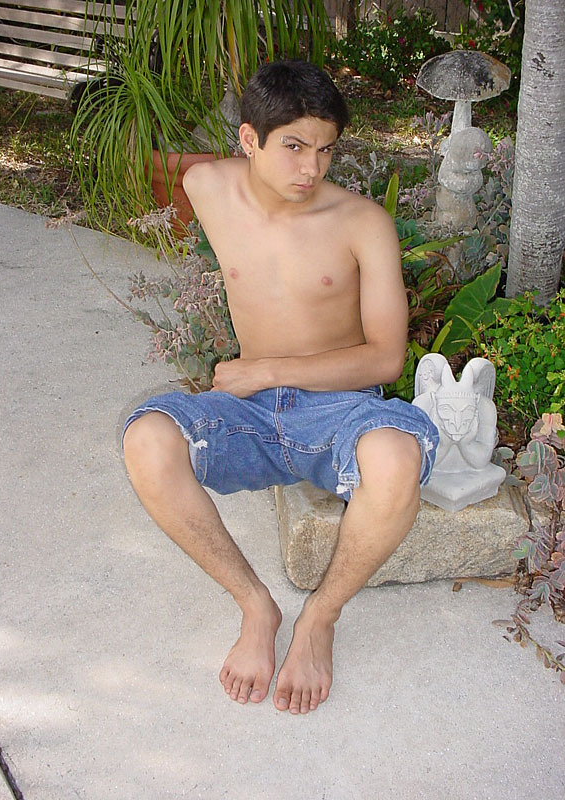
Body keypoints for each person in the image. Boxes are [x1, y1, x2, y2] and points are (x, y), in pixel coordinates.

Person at [122, 60, 438, 715]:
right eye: (293, 146)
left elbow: (386, 358)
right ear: (248, 139)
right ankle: (255, 605)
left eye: (325, 150)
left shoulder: (361, 222)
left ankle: (321, 617)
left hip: (340, 411)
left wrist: (268, 370)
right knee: (147, 440)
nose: (311, 168)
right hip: (251, 419)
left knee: (395, 456)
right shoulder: (205, 184)